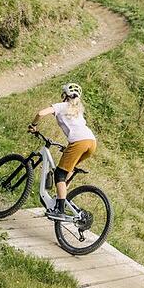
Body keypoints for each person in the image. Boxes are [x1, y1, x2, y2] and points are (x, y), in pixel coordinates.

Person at [27, 83, 97, 220]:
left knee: (59, 173)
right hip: (92, 142)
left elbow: (40, 113)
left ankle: (60, 210)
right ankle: (62, 198)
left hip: (79, 142)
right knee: (67, 169)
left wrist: (33, 125)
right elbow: (77, 128)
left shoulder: (61, 106)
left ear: (64, 95)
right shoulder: (78, 110)